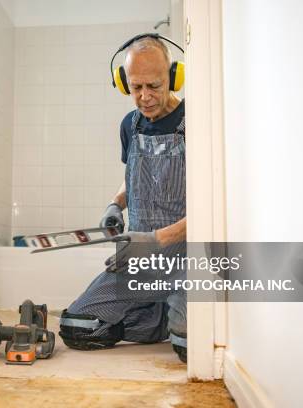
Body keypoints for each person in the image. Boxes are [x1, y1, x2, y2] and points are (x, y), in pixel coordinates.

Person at [59, 35, 188, 362]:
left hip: (187, 260)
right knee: (78, 326)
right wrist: (116, 204)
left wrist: (155, 239)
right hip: (140, 261)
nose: (144, 97)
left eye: (154, 86)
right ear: (123, 83)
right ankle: (156, 317)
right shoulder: (129, 126)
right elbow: (134, 173)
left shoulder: (199, 124)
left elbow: (215, 206)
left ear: (174, 77)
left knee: (192, 346)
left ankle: (174, 315)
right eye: (135, 87)